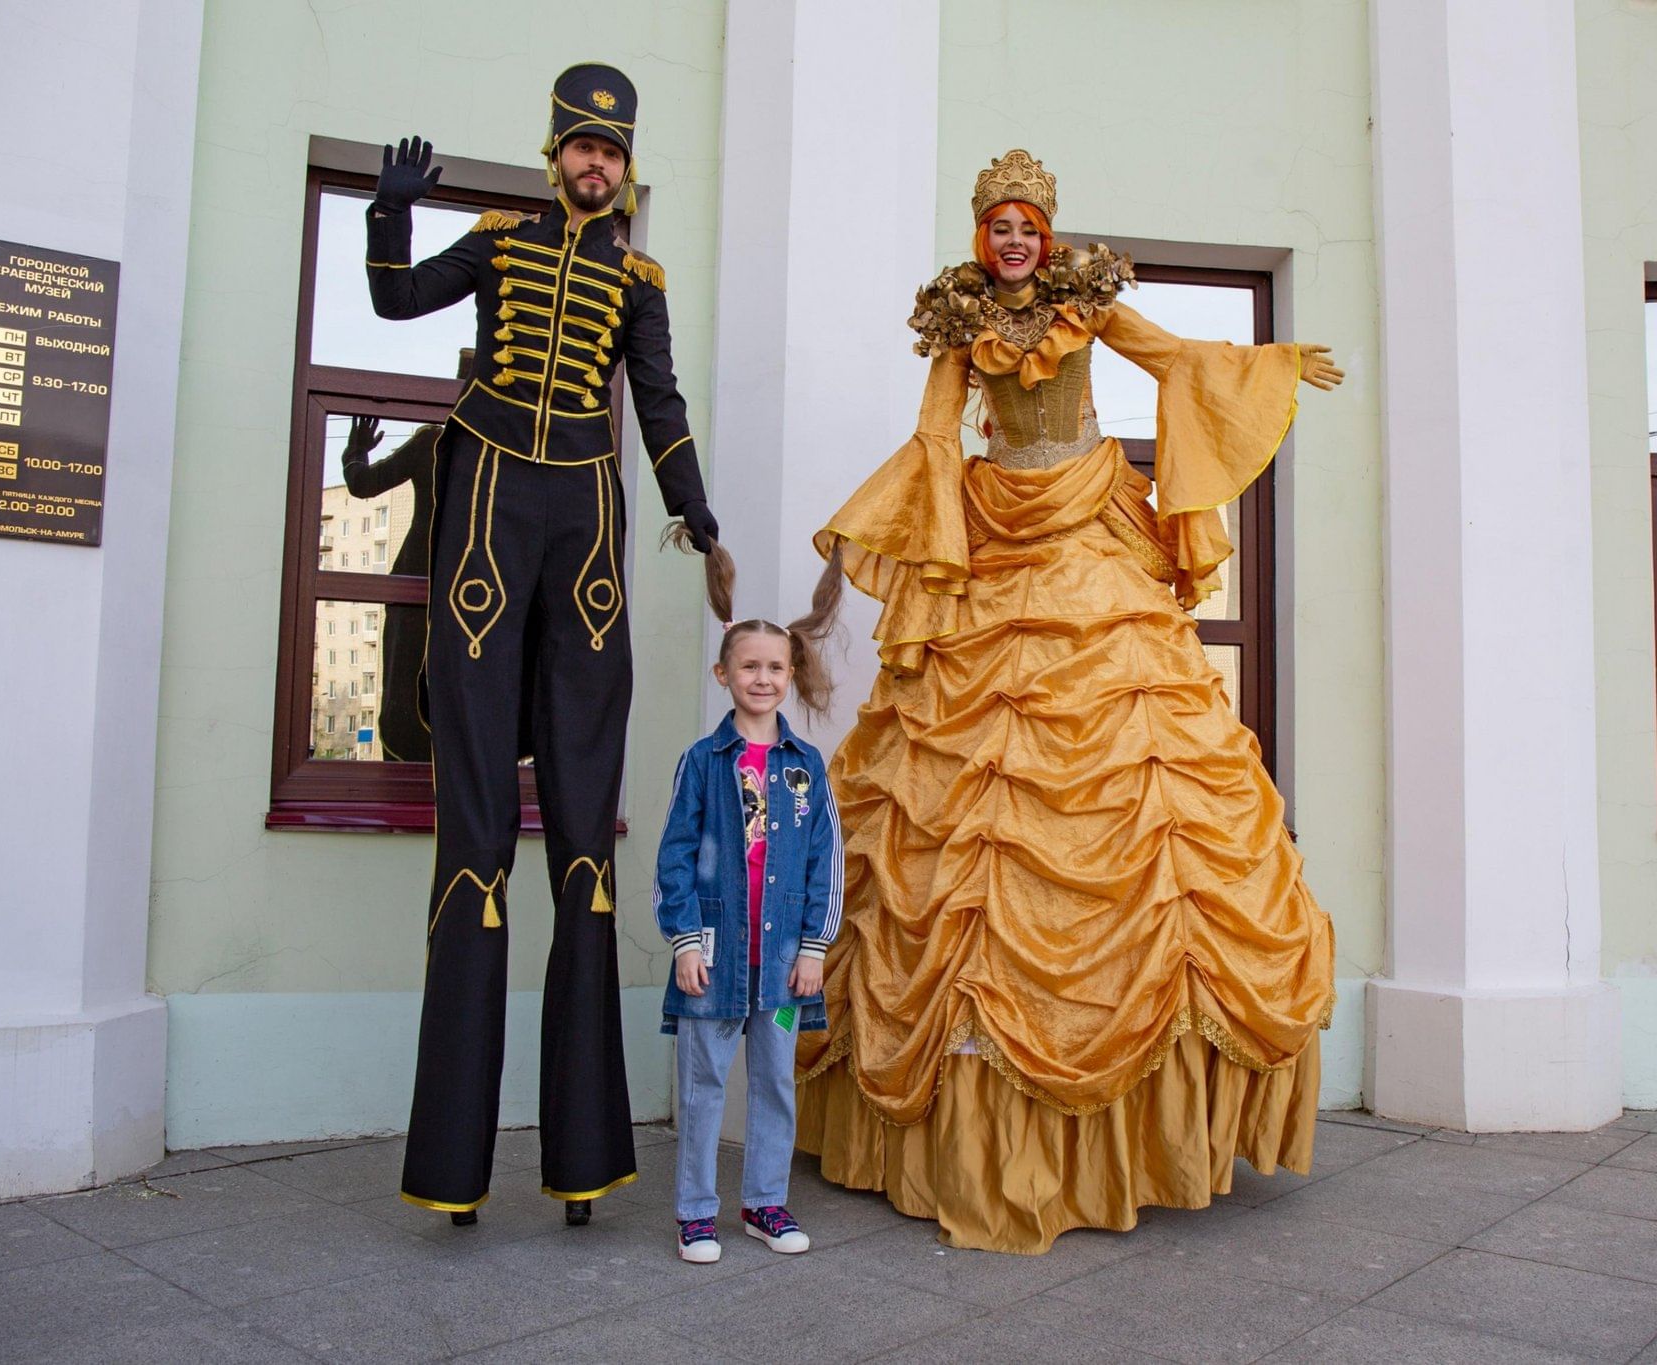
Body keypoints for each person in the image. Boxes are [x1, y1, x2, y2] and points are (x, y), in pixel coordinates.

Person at [794, 150, 1344, 1253]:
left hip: (1093, 525)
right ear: (980, 233)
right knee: (956, 784)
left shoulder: (1088, 302)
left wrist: (1269, 364)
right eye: (997, 223)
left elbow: (1173, 360)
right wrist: (922, 531)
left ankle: (1146, 1125)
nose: (1012, 239)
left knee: (1145, 759)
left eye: (1026, 224)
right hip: (994, 540)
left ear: (1046, 234)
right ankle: (972, 1114)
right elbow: (937, 433)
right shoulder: (956, 323)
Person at [365, 63, 720, 1227]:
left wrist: (692, 504)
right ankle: (453, 1171)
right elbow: (394, 302)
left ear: (627, 165)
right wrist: (387, 211)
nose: (594, 164)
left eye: (611, 152)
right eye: (579, 146)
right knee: (472, 835)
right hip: (486, 498)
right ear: (554, 151)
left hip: (584, 513)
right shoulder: (497, 245)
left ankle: (579, 1162)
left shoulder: (642, 278)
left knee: (583, 833)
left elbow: (656, 402)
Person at [653, 528, 844, 1264]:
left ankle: (765, 1203)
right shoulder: (704, 762)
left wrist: (816, 947)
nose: (763, 678)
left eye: (775, 667)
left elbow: (827, 859)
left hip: (786, 965)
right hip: (716, 955)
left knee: (774, 1085)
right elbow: (674, 855)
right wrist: (686, 939)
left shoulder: (807, 765)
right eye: (749, 667)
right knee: (702, 1088)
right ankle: (695, 1212)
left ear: (790, 675)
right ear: (724, 672)